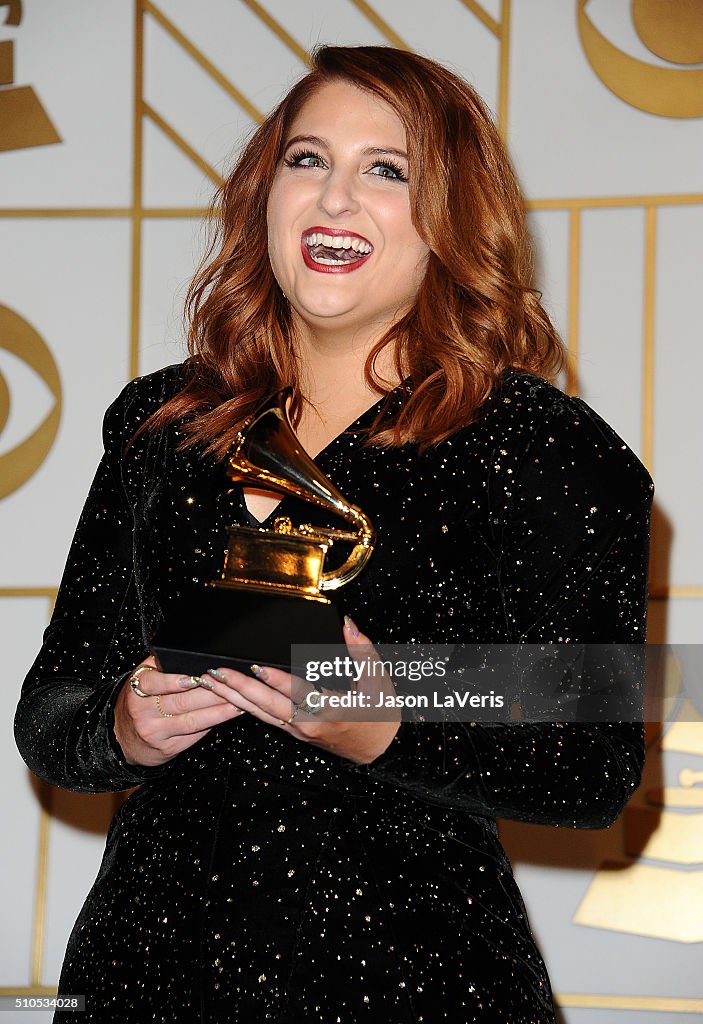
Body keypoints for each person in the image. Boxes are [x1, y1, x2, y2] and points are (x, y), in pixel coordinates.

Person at [15, 45, 653, 1023]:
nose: (334, 199)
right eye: (306, 159)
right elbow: (53, 710)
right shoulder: (159, 426)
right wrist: (124, 726)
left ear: (450, 217)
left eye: (385, 170)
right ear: (264, 191)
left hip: (414, 978)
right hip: (151, 969)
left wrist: (388, 720)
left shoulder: (548, 448)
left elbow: (591, 766)